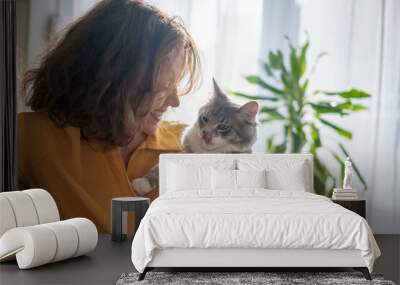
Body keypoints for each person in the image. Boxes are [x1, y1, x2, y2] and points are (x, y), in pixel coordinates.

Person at [18, 0, 200, 233]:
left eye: (175, 85)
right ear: (114, 81)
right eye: (163, 87)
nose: (175, 101)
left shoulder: (189, 147)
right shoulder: (34, 138)